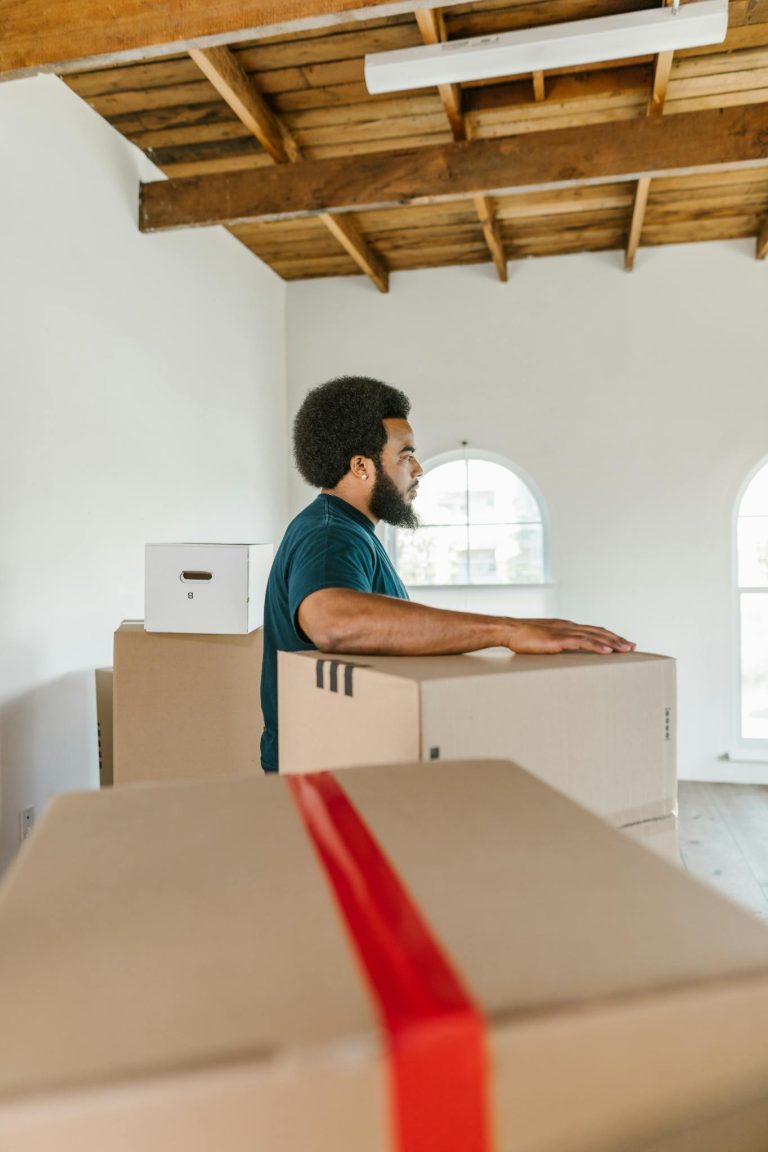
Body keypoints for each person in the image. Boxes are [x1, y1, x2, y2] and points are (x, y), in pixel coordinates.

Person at [260, 375, 635, 772]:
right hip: (320, 777)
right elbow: (335, 622)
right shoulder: (329, 533)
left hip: (346, 767)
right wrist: (506, 631)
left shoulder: (350, 531)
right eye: (406, 455)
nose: (418, 469)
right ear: (361, 466)